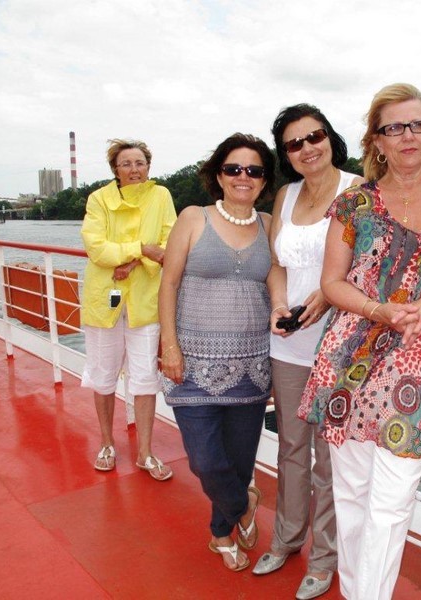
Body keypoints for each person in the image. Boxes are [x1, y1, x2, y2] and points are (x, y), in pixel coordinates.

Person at [298, 83, 421, 599]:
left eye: (417, 125)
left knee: (393, 500)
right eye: (395, 127)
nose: (408, 136)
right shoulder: (354, 203)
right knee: (353, 495)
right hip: (348, 359)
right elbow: (332, 283)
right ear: (377, 141)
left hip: (417, 362)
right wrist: (378, 309)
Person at [254, 104, 363, 600]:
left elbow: (365, 265)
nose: (307, 148)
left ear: (330, 138)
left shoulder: (359, 190)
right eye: (294, 143)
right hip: (289, 341)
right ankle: (286, 537)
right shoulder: (287, 194)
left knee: (329, 458)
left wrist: (326, 295)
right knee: (291, 447)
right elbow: (276, 263)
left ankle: (324, 558)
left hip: (339, 342)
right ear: (286, 154)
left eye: (314, 136)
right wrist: (279, 304)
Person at [159, 133, 275, 572]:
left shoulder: (269, 224)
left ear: (264, 180)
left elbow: (282, 276)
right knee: (206, 460)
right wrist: (169, 345)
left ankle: (221, 533)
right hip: (191, 362)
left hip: (252, 364)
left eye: (254, 170)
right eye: (233, 168)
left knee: (239, 460)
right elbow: (168, 283)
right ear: (219, 175)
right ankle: (244, 505)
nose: (244, 177)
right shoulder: (193, 217)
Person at [80, 138, 177, 481]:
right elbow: (97, 247)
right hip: (104, 297)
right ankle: (107, 443)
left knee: (145, 377)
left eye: (140, 163)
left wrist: (135, 261)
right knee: (104, 374)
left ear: (148, 166)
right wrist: (141, 249)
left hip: (145, 300)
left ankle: (145, 453)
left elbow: (169, 243)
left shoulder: (161, 196)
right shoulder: (99, 199)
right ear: (115, 169)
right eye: (126, 164)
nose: (134, 169)